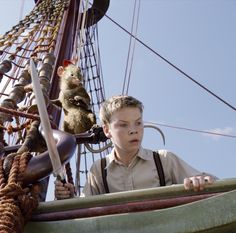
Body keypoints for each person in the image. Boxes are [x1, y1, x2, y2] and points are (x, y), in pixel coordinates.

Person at [55, 95, 216, 199]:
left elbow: (215, 184)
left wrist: (201, 181)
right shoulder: (98, 170)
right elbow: (84, 213)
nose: (134, 130)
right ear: (106, 130)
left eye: (138, 123)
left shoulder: (164, 160)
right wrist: (69, 197)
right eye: (123, 125)